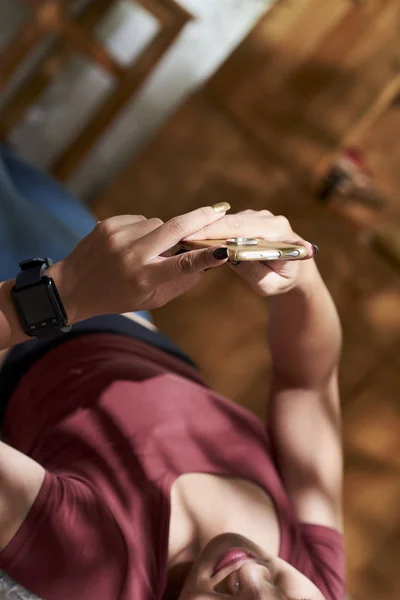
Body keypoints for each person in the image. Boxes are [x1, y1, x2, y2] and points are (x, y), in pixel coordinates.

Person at [0, 148, 344, 600]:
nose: (252, 582)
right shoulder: (319, 574)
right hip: (114, 293)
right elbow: (307, 384)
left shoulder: (95, 570)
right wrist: (301, 279)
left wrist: (61, 295)